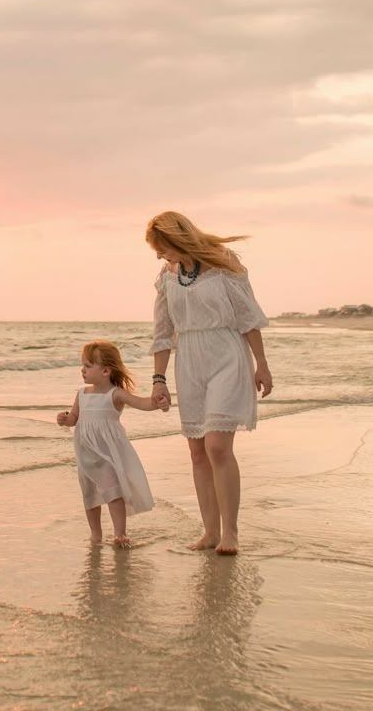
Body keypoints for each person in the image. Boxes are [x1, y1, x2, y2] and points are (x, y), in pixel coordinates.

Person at [145, 211, 273, 555]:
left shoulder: (223, 263)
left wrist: (261, 364)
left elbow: (248, 316)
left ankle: (231, 533)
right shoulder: (167, 275)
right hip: (189, 359)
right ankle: (210, 532)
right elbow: (162, 331)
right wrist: (159, 380)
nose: (159, 255)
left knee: (218, 446)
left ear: (177, 239)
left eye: (162, 248)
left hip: (226, 354)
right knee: (197, 451)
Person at [57, 340, 169, 547]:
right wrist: (64, 419)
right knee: (89, 495)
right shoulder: (81, 394)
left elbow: (142, 403)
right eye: (83, 365)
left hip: (106, 455)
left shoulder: (115, 394)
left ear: (106, 370)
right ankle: (95, 534)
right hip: (85, 456)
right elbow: (74, 418)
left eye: (88, 366)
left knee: (113, 492)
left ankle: (120, 533)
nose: (83, 370)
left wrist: (157, 402)